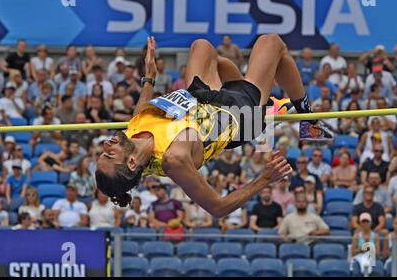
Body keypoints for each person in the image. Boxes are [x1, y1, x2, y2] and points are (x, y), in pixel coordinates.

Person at [96, 35, 333, 217]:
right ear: (131, 162)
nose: (107, 143)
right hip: (237, 115)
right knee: (271, 43)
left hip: (201, 97)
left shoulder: (130, 137)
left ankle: (263, 97)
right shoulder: (173, 159)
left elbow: (140, 113)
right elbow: (217, 208)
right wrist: (265, 179)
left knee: (204, 47)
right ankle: (306, 115)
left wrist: (149, 77)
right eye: (109, 153)